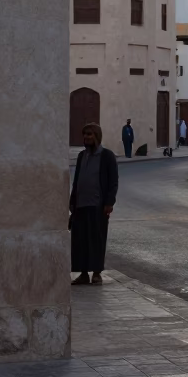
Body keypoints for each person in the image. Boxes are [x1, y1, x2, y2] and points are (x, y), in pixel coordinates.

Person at [69, 123, 119, 286]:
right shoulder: (82, 156)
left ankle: (96, 272)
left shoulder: (107, 156)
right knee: (80, 241)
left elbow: (113, 181)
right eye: (85, 135)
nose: (87, 138)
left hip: (98, 205)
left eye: (90, 134)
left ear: (97, 136)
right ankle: (83, 273)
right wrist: (72, 202)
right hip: (80, 205)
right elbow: (77, 180)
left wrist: (109, 202)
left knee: (96, 239)